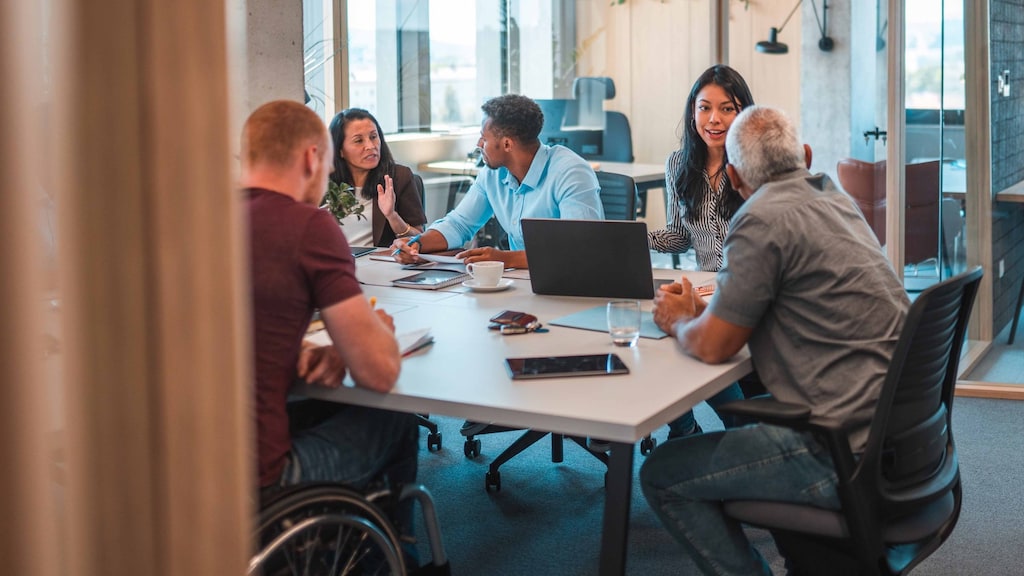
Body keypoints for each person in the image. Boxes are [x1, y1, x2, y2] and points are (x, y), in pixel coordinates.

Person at [641, 105, 910, 574]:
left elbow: (714, 347)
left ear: (733, 177)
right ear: (805, 155)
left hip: (838, 449)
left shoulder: (759, 219)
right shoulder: (834, 198)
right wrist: (707, 314)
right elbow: (786, 303)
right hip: (901, 436)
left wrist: (679, 321)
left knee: (662, 473)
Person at [242, 100, 419, 552]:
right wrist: (375, 332)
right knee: (395, 416)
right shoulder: (308, 225)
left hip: (179, 471)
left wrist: (303, 351)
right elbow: (379, 372)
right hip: (259, 479)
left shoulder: (200, 222)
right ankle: (397, 553)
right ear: (312, 158)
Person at [648, 64, 756, 439]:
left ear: (744, 113)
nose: (714, 119)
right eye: (705, 108)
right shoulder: (678, 164)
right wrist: (637, 238)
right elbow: (679, 236)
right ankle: (684, 427)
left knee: (682, 330)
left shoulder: (754, 163)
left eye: (727, 109)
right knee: (660, 318)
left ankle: (739, 428)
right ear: (692, 111)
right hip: (704, 285)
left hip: (745, 285)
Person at [391, 93, 604, 268]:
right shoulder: (493, 174)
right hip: (523, 282)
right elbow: (459, 224)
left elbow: (579, 249)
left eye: (484, 138)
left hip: (573, 285)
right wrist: (416, 245)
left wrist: (505, 259)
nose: (478, 144)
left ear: (507, 144)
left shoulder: (571, 172)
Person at [329, 107, 427, 247]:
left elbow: (419, 238)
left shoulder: (399, 178)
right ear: (340, 150)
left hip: (377, 259)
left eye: (373, 137)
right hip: (333, 259)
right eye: (359, 141)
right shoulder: (325, 183)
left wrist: (392, 216)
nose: (370, 146)